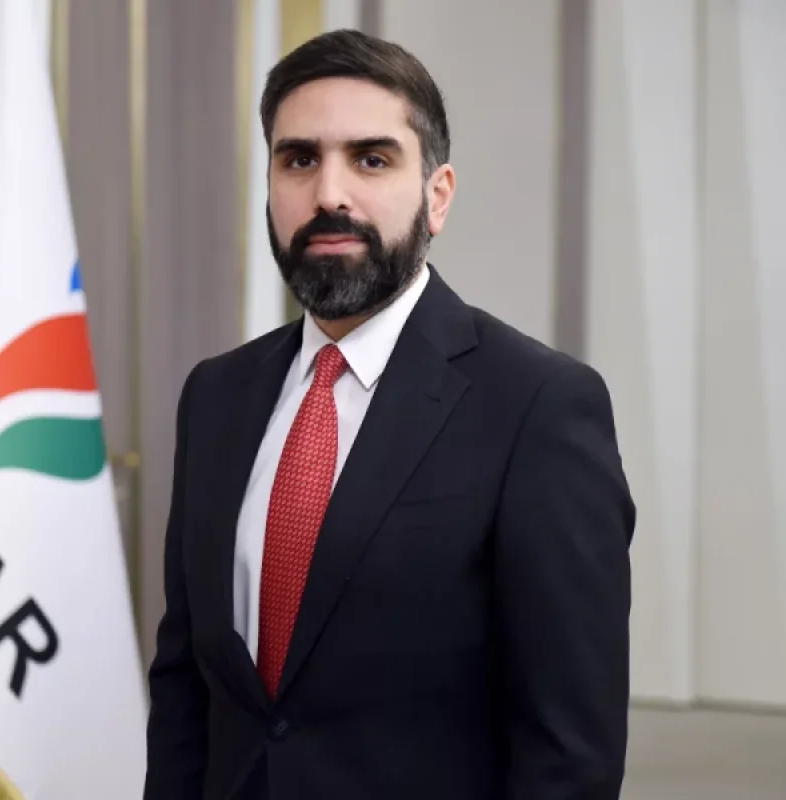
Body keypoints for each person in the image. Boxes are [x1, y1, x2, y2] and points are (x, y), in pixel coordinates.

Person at [143, 28, 635, 800]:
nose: (328, 194)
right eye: (298, 160)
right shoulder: (216, 396)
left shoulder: (537, 408)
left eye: (371, 159)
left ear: (437, 196)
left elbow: (570, 751)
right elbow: (185, 689)